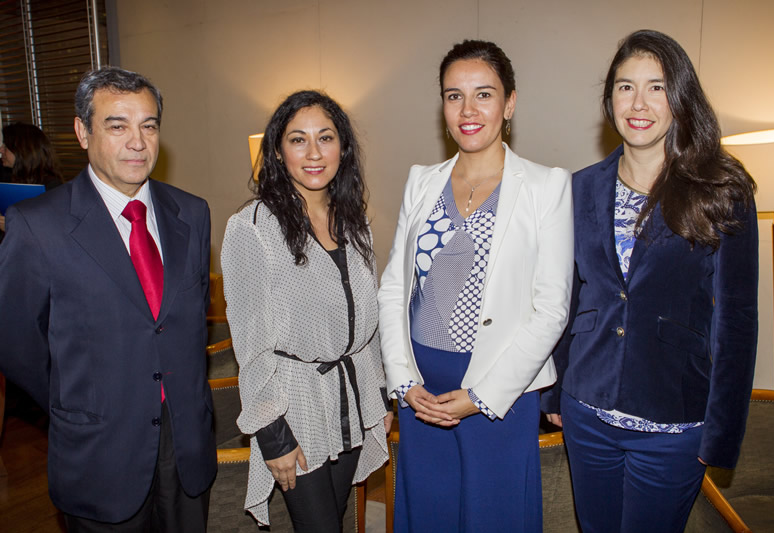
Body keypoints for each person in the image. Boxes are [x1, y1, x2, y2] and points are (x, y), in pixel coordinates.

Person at [541, 29, 759, 533]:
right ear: (609, 99)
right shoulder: (580, 188)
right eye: (625, 87)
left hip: (674, 422)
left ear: (679, 97)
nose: (638, 103)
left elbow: (737, 321)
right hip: (587, 411)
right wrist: (553, 395)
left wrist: (722, 433)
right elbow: (567, 299)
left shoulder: (721, 190)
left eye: (656, 87)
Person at [0, 66, 216, 532]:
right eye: (117, 126)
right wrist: (78, 399)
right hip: (100, 451)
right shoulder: (37, 225)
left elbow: (190, 319)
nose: (137, 142)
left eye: (149, 126)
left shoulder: (192, 212)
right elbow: (16, 343)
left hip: (186, 445)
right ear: (83, 132)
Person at [378, 40, 574, 532]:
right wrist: (403, 382)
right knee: (429, 513)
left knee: (495, 515)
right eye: (454, 96)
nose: (468, 110)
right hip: (423, 390)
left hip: (500, 389)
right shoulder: (421, 181)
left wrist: (482, 396)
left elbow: (551, 309)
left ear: (509, 103)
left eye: (483, 94)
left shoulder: (546, 186)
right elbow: (395, 288)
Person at [220, 90, 391, 531]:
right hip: (294, 407)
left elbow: (368, 325)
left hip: (353, 398)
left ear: (342, 148)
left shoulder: (355, 221)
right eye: (298, 140)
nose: (314, 153)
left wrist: (378, 397)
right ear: (278, 151)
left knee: (334, 518)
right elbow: (251, 346)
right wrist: (272, 433)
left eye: (325, 138)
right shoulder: (252, 228)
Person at [0, 122, 63, 237]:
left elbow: (53, 232)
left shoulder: (51, 186)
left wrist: (13, 227)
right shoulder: (7, 177)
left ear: (21, 150)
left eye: (6, 146)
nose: (1, 150)